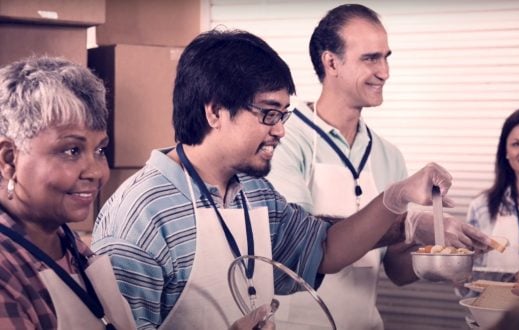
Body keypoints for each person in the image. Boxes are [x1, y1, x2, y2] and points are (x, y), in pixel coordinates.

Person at [91, 29, 487, 329]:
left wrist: (396, 199)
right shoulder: (142, 215)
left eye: (283, 114)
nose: (280, 130)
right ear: (214, 112)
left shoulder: (254, 193)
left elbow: (326, 248)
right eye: (268, 113)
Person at [266, 4, 492, 329]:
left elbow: (396, 271)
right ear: (331, 62)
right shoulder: (285, 139)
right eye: (370, 58)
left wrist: (438, 256)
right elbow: (301, 243)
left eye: (386, 57)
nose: (384, 71)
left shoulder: (387, 154)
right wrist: (409, 224)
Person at [0, 57, 136, 329]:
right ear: (9, 160)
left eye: (99, 151)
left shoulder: (69, 244)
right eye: (71, 151)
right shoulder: (6, 272)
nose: (96, 172)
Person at [466, 107, 519, 278]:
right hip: (495, 305)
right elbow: (470, 280)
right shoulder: (480, 207)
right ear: (506, 151)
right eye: (516, 144)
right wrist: (460, 275)